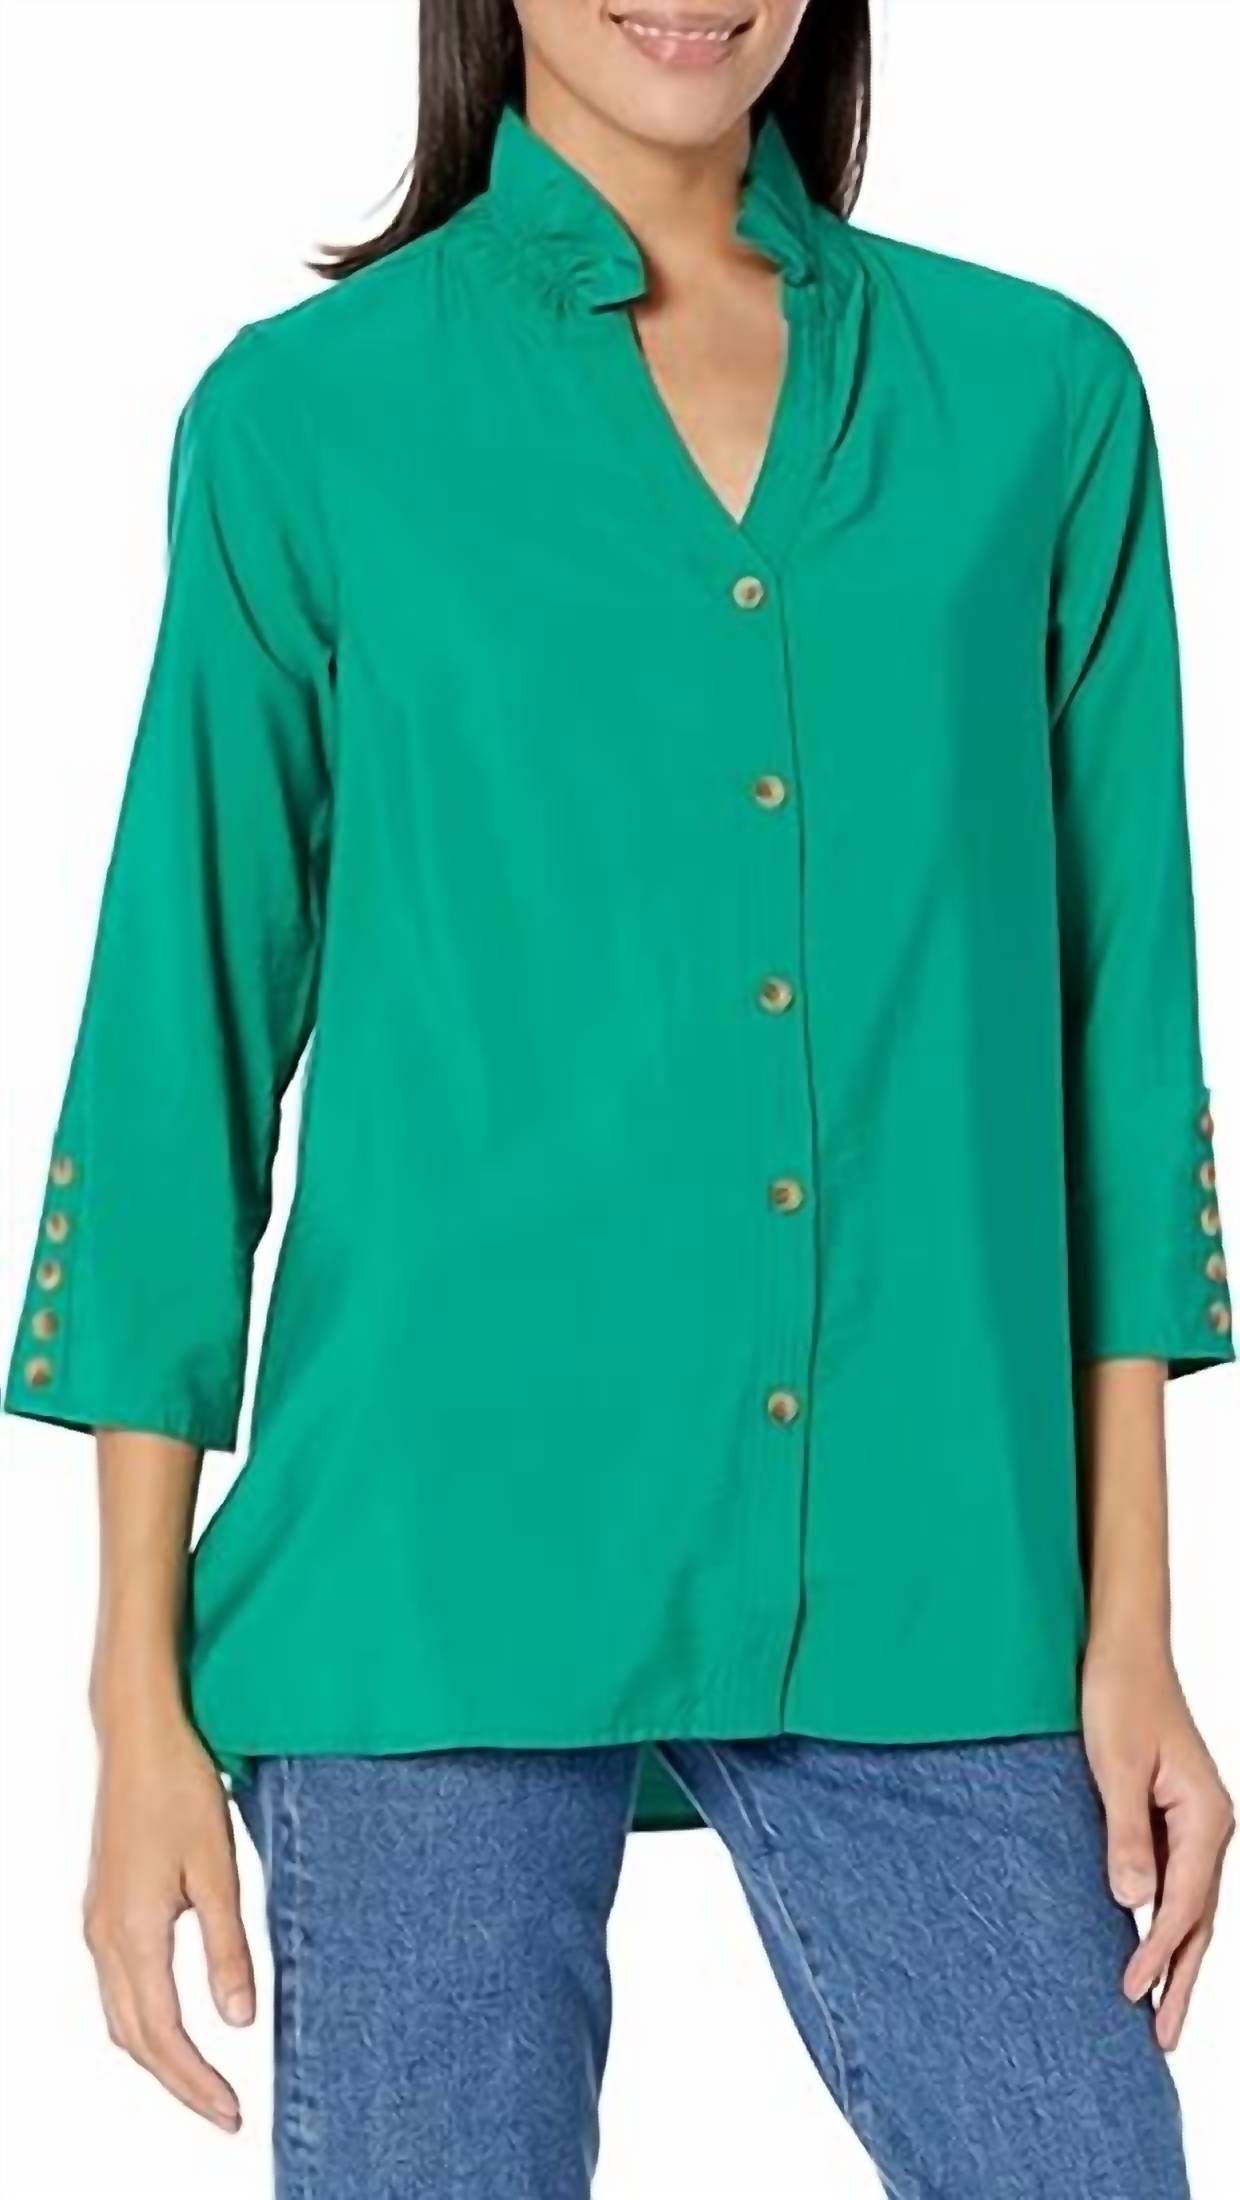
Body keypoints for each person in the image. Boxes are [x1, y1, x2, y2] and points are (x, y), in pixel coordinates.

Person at [3, 1, 1235, 2193]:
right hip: (427, 1580)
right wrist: (131, 1695)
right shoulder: (310, 420)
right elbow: (178, 1035)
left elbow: (1113, 1038)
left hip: (927, 1559)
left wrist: (1132, 1629)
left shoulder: (1036, 401)